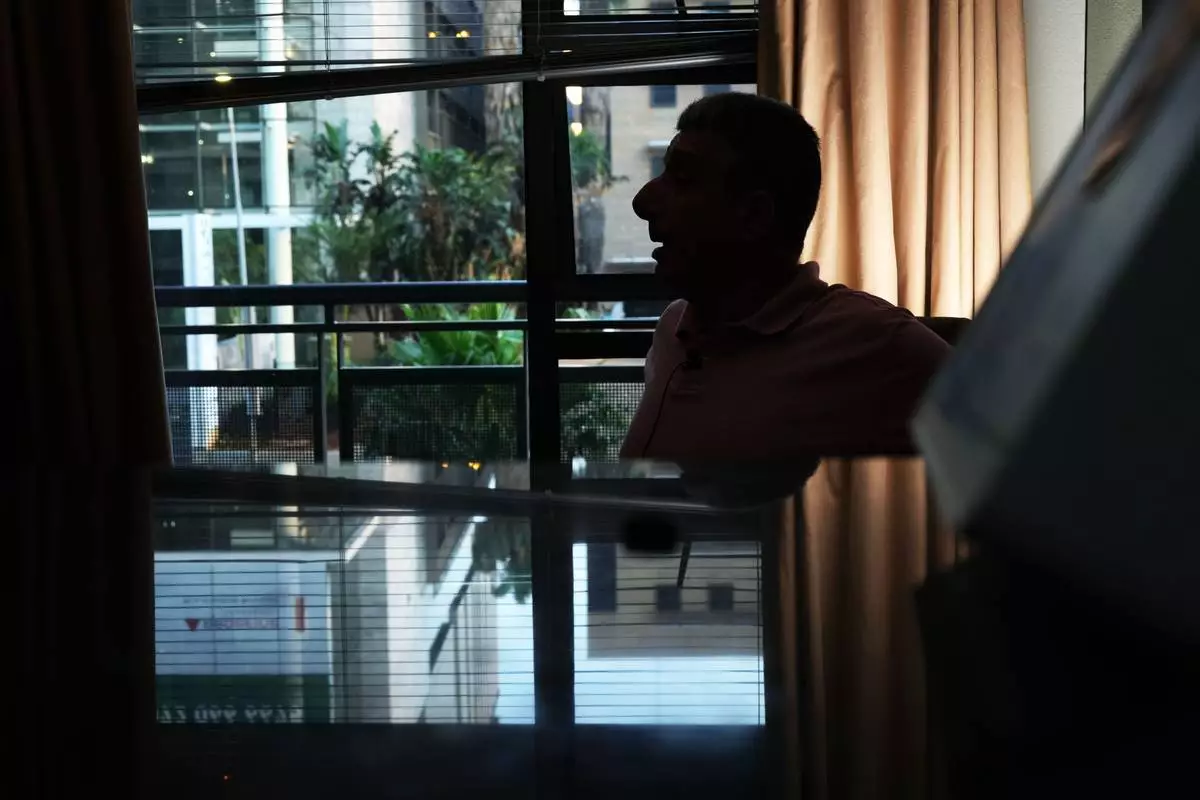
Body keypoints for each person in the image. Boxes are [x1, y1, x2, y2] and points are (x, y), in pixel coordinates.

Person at [621, 93, 951, 463]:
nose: (642, 202)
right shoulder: (673, 328)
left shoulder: (881, 343)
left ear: (754, 216)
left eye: (682, 179)